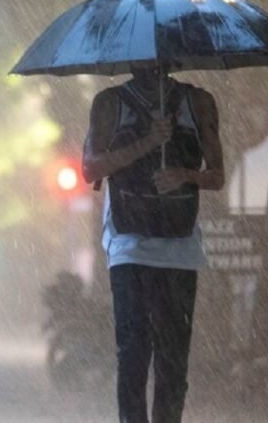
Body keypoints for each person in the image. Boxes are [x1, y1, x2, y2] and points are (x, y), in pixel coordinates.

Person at [83, 68, 224, 423]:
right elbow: (90, 169)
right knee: (133, 351)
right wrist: (146, 142)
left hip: (180, 249)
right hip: (128, 245)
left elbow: (217, 175)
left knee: (173, 358)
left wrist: (183, 175)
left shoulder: (199, 103)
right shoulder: (110, 103)